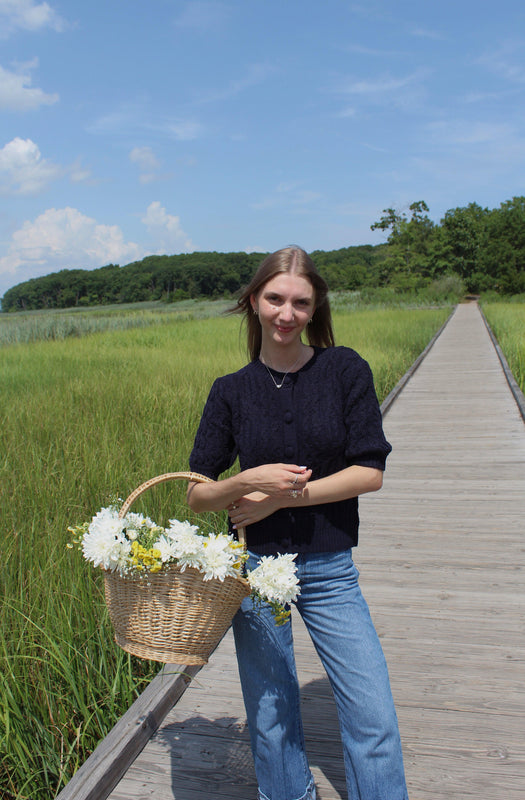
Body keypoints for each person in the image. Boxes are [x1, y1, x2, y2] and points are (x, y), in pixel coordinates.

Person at [187, 246, 409, 800]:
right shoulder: (230, 391)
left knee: (372, 714)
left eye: (301, 303)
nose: (287, 314)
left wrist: (282, 499)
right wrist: (244, 483)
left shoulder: (344, 369)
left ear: (315, 309)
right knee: (271, 717)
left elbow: (370, 472)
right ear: (253, 302)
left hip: (331, 569)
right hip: (257, 573)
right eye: (275, 299)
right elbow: (197, 493)